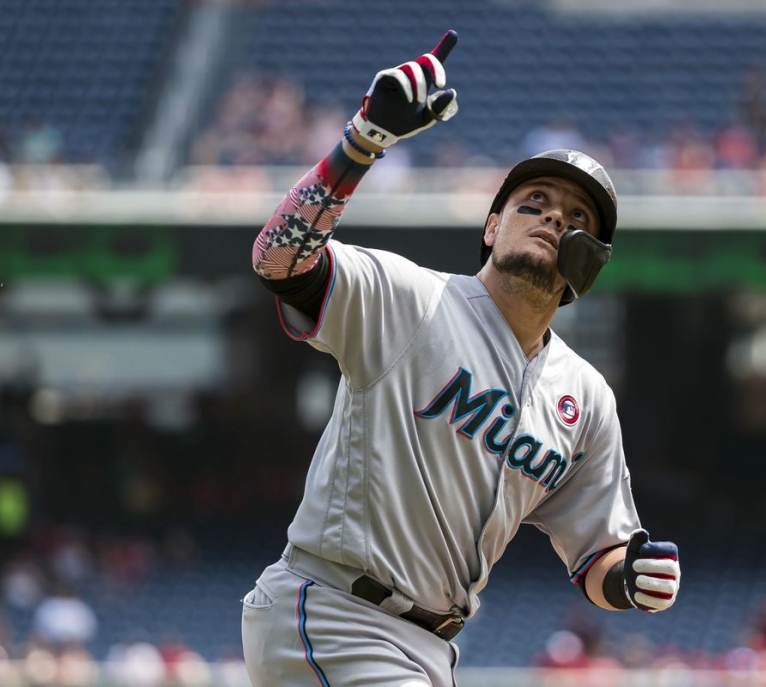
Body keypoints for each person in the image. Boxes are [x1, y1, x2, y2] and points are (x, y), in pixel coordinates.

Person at [241, 30, 681, 687]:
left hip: (432, 646)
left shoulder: (585, 398)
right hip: (335, 610)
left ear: (589, 262)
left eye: (575, 218)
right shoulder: (411, 299)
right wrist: (362, 142)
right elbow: (277, 260)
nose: (552, 218)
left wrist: (631, 579)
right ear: (492, 226)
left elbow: (598, 555)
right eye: (533, 203)